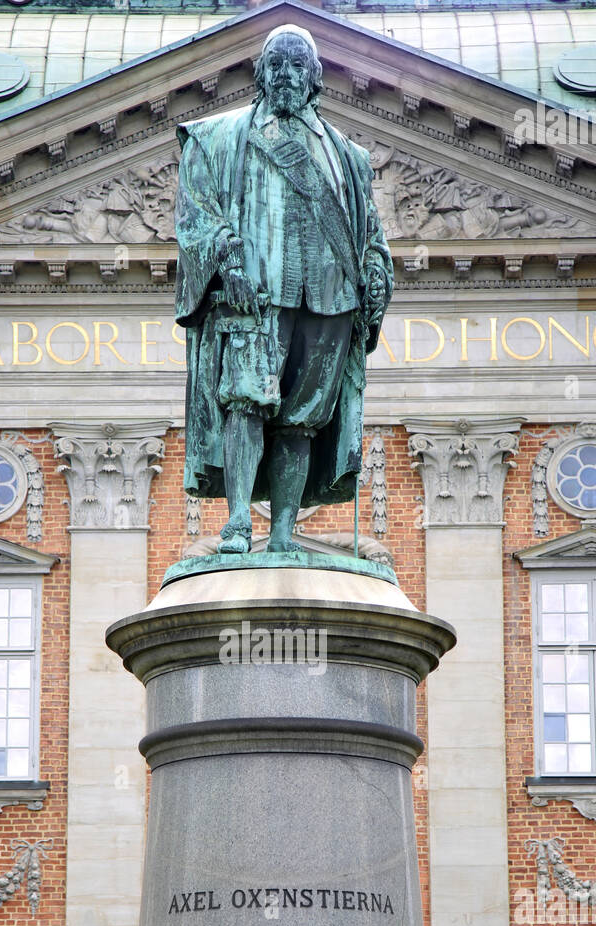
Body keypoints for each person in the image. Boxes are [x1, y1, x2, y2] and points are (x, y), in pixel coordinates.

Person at [174, 24, 393, 554]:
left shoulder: (348, 157)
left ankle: (281, 535)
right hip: (255, 297)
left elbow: (369, 237)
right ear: (261, 73)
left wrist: (378, 271)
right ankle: (237, 524)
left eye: (298, 66)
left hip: (329, 299)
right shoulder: (222, 137)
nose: (287, 74)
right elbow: (196, 213)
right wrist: (228, 260)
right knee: (246, 401)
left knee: (301, 420)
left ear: (315, 78)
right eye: (277, 64)